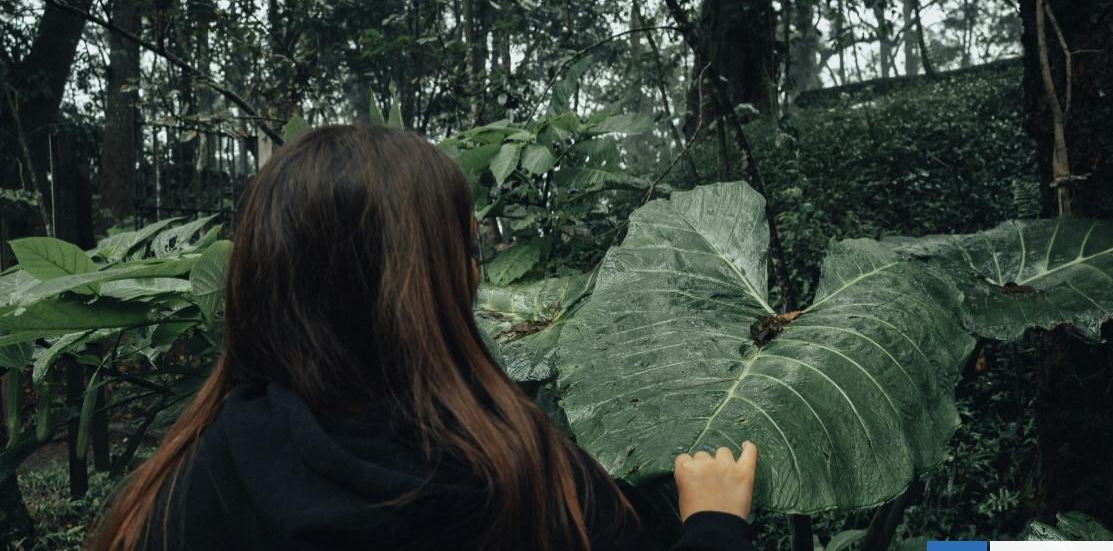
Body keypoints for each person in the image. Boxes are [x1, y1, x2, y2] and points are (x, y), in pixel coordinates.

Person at [90, 126, 758, 551]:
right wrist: (714, 523)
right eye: (468, 249)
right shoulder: (518, 474)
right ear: (429, 284)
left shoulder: (181, 491)